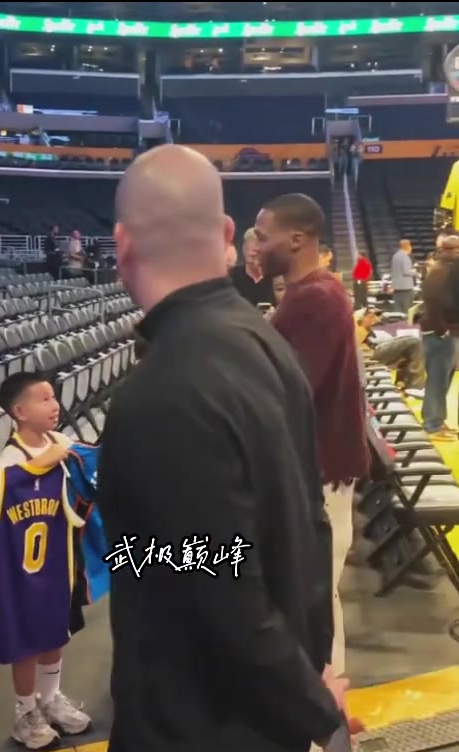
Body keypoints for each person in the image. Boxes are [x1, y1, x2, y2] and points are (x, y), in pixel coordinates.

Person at [98, 145, 357, 752]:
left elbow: (215, 583)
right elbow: (307, 530)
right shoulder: (262, 343)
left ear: (122, 244)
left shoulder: (158, 393)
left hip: (198, 725)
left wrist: (316, 711)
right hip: (264, 714)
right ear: (223, 234)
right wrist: (312, 673)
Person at [254, 193, 369, 678]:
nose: (256, 247)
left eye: (263, 237)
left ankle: (326, 707)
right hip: (321, 468)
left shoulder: (314, 299)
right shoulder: (314, 292)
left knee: (315, 600)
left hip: (319, 473)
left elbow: (287, 391)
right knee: (316, 597)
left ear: (296, 239)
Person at [0, 372, 92, 749]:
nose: (55, 405)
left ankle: (50, 700)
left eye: (54, 397)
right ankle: (25, 711)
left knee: (56, 634)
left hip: (58, 564)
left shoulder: (61, 442)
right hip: (20, 573)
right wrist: (39, 464)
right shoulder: (12, 456)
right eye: (44, 399)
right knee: (26, 644)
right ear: (19, 412)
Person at [419, 236, 459, 440]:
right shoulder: (440, 271)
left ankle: (436, 421)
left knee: (442, 378)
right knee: (437, 379)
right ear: (451, 251)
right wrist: (442, 331)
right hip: (439, 333)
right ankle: (433, 424)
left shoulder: (444, 270)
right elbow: (432, 302)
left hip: (444, 331)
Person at [229, 228, 275, 307]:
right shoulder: (231, 277)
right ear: (244, 250)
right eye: (252, 251)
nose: (255, 254)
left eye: (259, 252)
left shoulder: (276, 277)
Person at [391, 239, 415, 314]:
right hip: (406, 288)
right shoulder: (405, 257)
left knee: (398, 311)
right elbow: (406, 271)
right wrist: (416, 272)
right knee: (407, 311)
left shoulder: (395, 256)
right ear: (408, 247)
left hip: (397, 288)